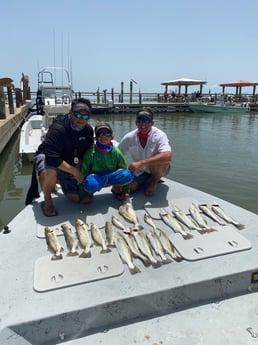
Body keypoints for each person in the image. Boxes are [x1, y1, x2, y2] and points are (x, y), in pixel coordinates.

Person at [32, 98, 94, 216]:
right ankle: (47, 199)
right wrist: (75, 172)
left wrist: (79, 166)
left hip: (70, 162)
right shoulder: (58, 129)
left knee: (76, 199)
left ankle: (59, 179)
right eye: (77, 115)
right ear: (70, 112)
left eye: (85, 117)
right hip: (48, 157)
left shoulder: (88, 131)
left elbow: (87, 153)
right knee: (50, 172)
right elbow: (52, 158)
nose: (81, 119)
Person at [118, 107, 172, 196]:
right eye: (140, 120)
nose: (143, 124)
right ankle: (146, 179)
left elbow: (168, 156)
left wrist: (140, 163)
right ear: (136, 123)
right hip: (141, 171)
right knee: (125, 189)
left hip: (159, 168)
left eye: (147, 120)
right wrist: (120, 172)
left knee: (160, 160)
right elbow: (118, 155)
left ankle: (153, 182)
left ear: (152, 123)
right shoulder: (129, 137)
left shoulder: (160, 135)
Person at [80, 121, 132, 202]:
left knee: (127, 175)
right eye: (99, 134)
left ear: (112, 137)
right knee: (90, 184)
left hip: (111, 176)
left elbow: (124, 167)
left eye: (107, 134)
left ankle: (117, 189)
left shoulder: (116, 152)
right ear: (95, 138)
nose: (103, 136)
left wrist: (125, 191)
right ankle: (89, 194)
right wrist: (82, 195)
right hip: (97, 177)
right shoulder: (90, 153)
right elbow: (83, 172)